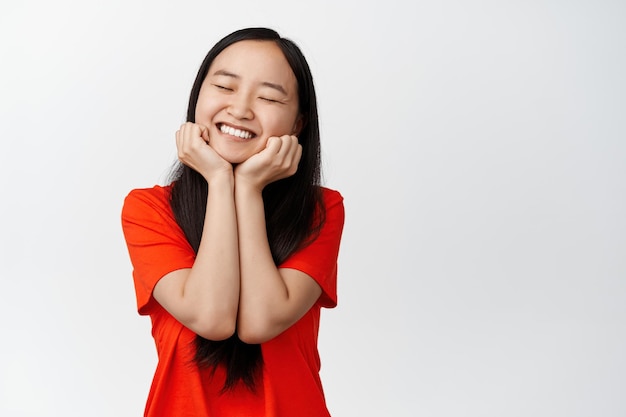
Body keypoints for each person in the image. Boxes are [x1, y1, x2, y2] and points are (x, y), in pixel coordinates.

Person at [121, 27, 345, 417]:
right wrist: (221, 180)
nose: (240, 109)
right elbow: (212, 317)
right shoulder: (149, 210)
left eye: (269, 97)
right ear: (197, 97)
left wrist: (248, 188)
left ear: (297, 125)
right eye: (225, 87)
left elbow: (260, 322)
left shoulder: (321, 211)